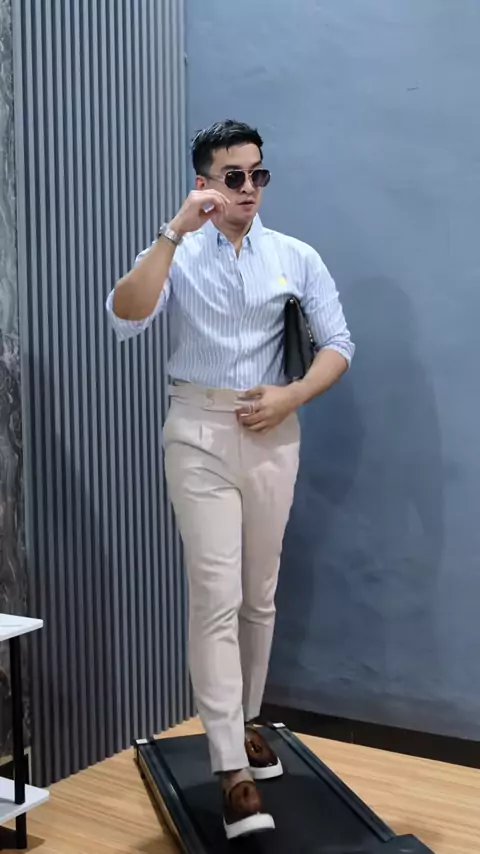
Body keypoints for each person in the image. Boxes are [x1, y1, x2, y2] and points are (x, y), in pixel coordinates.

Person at [106, 119, 354, 840]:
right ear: (205, 183)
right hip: (198, 432)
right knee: (214, 595)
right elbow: (125, 315)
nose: (249, 188)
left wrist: (291, 395)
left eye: (258, 174)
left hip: (273, 431)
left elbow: (338, 343)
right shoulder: (177, 251)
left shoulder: (294, 256)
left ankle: (244, 720)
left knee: (258, 595)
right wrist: (172, 232)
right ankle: (230, 773)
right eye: (234, 176)